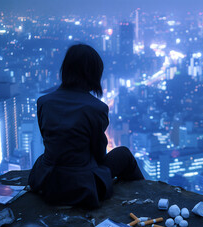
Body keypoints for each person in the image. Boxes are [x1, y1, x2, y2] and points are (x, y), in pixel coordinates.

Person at [28, 44, 144, 209]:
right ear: (93, 74)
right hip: (80, 187)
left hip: (46, 181)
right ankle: (147, 197)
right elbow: (99, 155)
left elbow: (49, 141)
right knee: (123, 154)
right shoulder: (97, 108)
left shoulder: (44, 102)